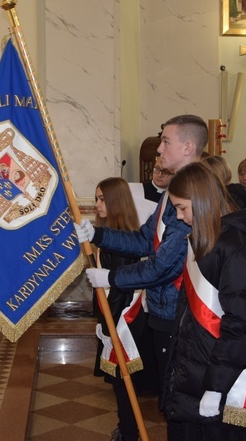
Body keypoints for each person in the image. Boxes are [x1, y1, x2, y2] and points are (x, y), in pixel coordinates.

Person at [77, 114, 208, 395]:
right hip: (166, 309)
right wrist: (98, 235)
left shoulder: (197, 192)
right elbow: (145, 240)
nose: (159, 149)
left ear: (187, 147)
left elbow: (165, 265)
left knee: (178, 399)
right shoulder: (174, 189)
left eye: (165, 141)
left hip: (183, 313)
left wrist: (111, 277)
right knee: (169, 396)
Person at [161, 162, 246, 440]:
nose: (178, 217)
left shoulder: (235, 247)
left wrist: (215, 386)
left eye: (182, 208)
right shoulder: (208, 240)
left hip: (222, 379)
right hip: (196, 368)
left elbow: (240, 323)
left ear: (201, 202)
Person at [91, 177, 149, 441]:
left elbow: (122, 287)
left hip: (124, 317)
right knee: (119, 380)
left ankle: (129, 431)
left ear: (116, 201)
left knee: (123, 380)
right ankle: (126, 427)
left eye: (102, 199)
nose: (97, 204)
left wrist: (109, 323)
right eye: (96, 198)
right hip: (114, 314)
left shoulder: (122, 240)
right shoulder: (110, 236)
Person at [129, 156, 171, 224]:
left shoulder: (174, 199)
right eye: (157, 169)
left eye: (165, 172)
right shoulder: (135, 190)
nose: (159, 175)